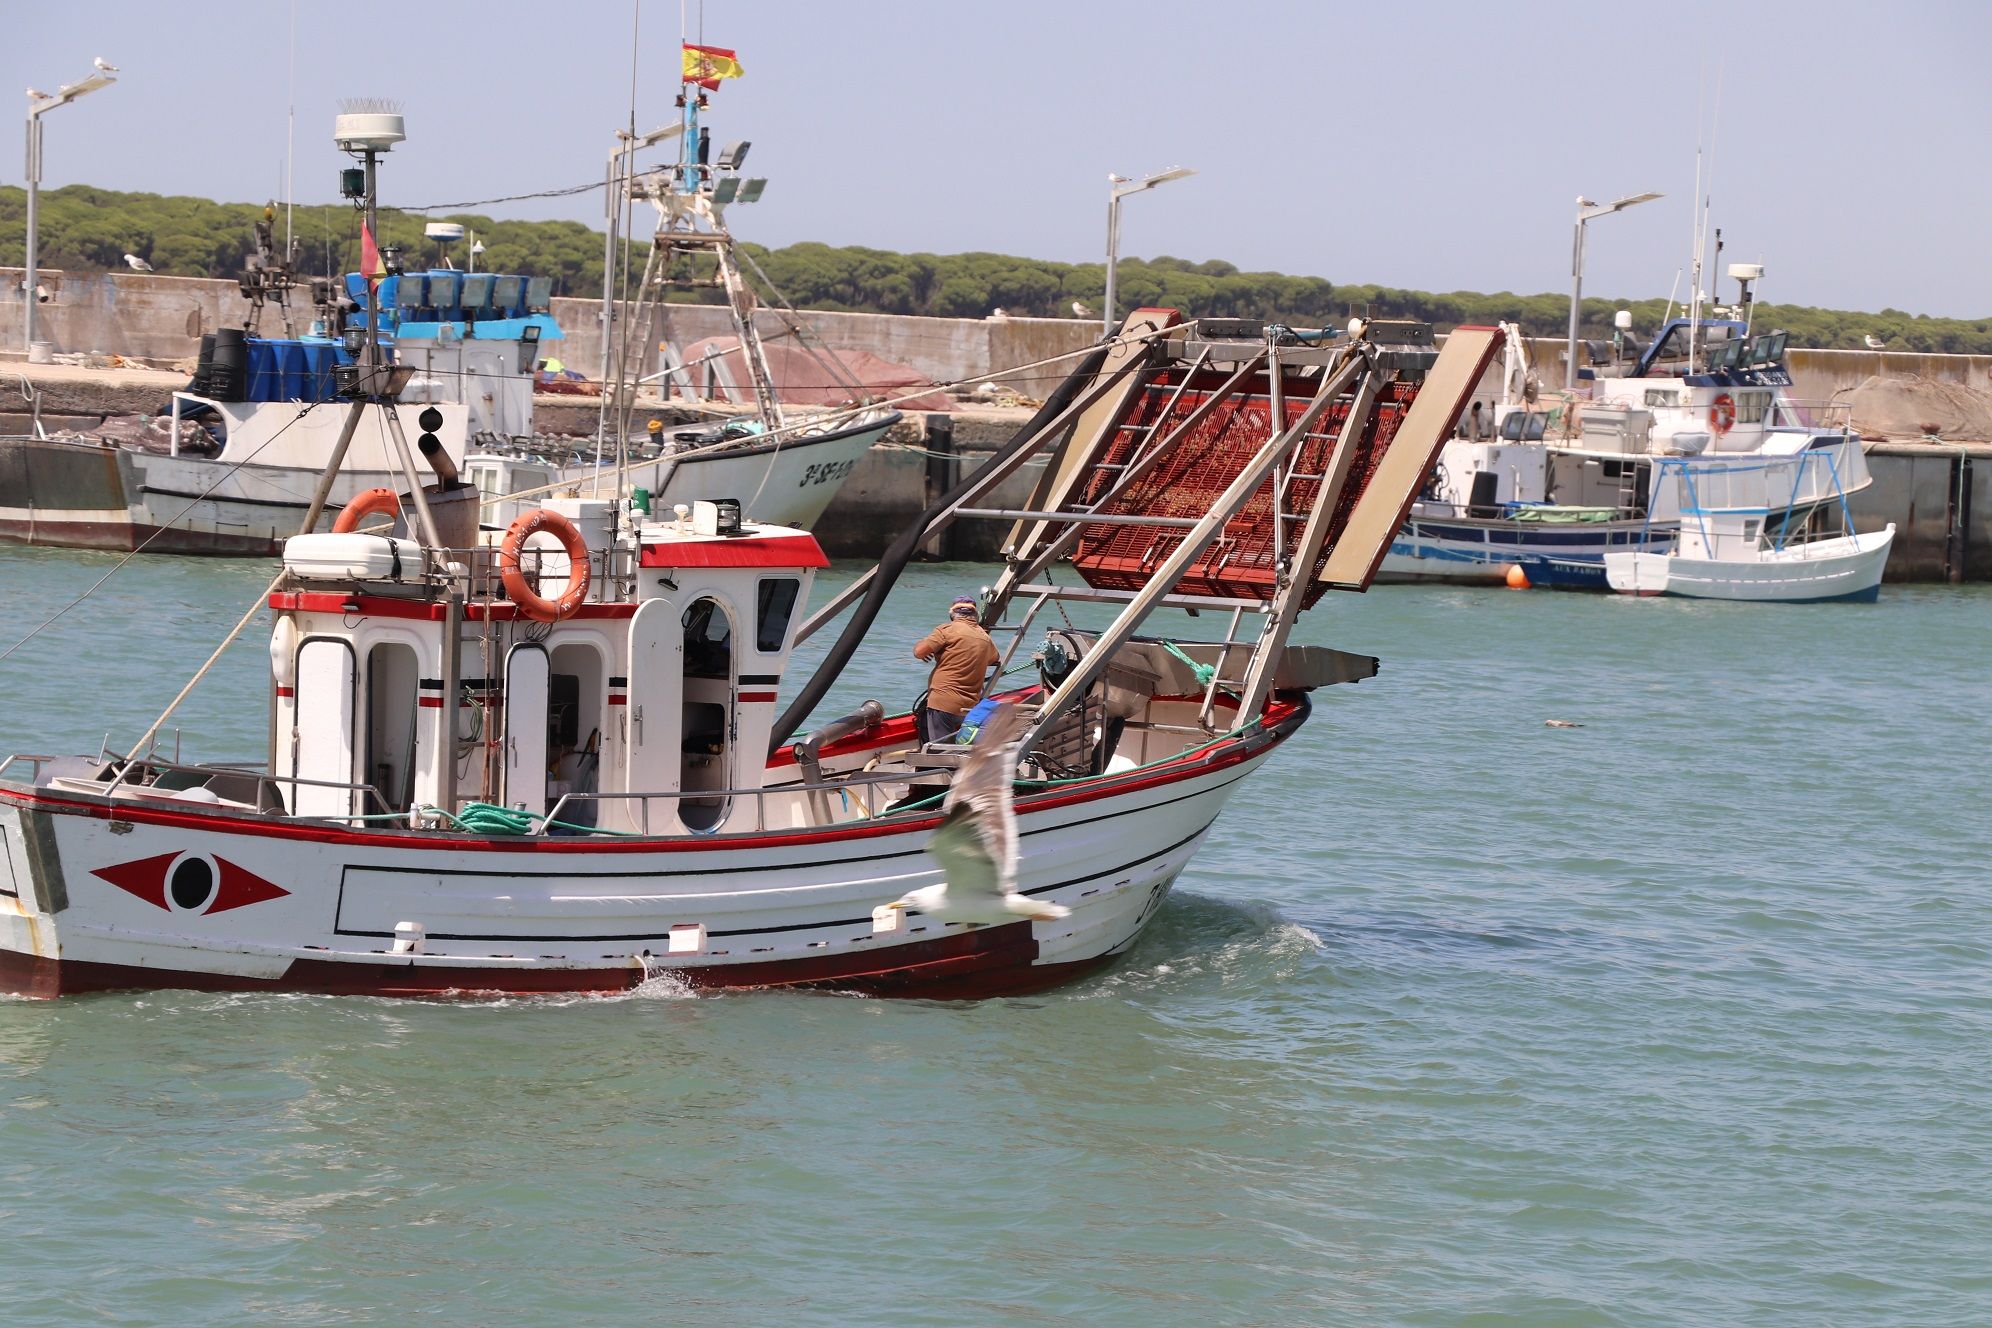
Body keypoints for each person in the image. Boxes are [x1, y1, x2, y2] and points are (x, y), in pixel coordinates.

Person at [913, 596, 1000, 744]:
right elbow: (994, 658)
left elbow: (919, 652)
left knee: (939, 750)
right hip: (969, 706)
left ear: (953, 614)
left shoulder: (946, 630)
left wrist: (932, 649)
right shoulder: (985, 637)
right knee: (958, 748)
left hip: (943, 702)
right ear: (974, 615)